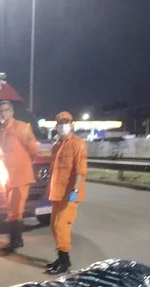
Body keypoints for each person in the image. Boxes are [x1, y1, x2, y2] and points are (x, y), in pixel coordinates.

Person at [46, 111, 88, 274]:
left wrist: (75, 190)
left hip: (70, 193)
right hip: (56, 193)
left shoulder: (78, 144)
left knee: (61, 226)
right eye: (60, 123)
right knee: (53, 227)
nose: (63, 125)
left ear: (71, 125)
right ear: (56, 126)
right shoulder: (56, 146)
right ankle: (62, 258)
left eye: (66, 122)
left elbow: (80, 170)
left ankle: (64, 261)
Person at [0, 100, 39, 254]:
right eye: (0, 111)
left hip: (21, 177)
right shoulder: (1, 132)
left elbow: (33, 149)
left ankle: (16, 241)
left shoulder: (22, 128)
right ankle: (14, 240)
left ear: (12, 112)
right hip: (7, 177)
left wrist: (24, 164)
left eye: (5, 110)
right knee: (10, 210)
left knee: (17, 210)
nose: (2, 113)